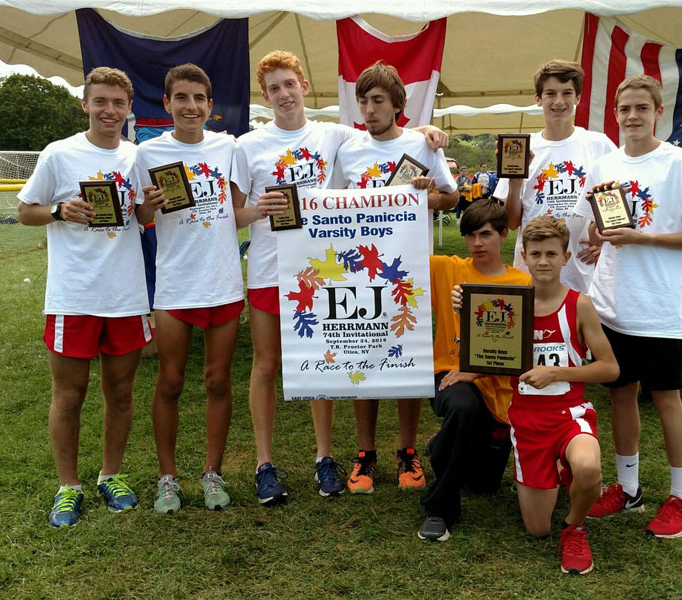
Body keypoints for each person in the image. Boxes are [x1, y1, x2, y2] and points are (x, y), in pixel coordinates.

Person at [233, 51, 448, 504]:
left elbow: (437, 184)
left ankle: (369, 454)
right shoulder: (314, 145)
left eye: (289, 84)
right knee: (312, 361)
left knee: (380, 359)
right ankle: (295, 460)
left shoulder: (361, 139)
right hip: (300, 269)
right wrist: (258, 211)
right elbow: (248, 209)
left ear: (304, 86)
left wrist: (428, 141)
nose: (370, 110)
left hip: (374, 270)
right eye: (274, 88)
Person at [574, 74, 682, 538]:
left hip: (657, 308)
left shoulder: (679, 163)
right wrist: (598, 238)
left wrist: (644, 237)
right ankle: (629, 489)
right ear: (614, 114)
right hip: (610, 304)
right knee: (620, 394)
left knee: (666, 398)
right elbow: (595, 228)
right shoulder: (604, 166)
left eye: (641, 108)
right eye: (624, 109)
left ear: (658, 112)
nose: (632, 116)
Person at [17, 67, 151, 527]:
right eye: (101, 101)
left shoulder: (138, 157)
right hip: (73, 296)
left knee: (120, 392)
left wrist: (151, 205)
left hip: (126, 294)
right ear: (85, 104)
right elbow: (23, 211)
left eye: (118, 103)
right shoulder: (60, 154)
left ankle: (110, 474)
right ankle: (68, 486)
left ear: (129, 108)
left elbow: (146, 216)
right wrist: (58, 210)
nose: (109, 111)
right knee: (69, 394)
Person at [460, 215, 619, 574]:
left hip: (569, 414)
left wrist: (558, 372)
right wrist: (469, 323)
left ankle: (575, 525)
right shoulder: (511, 304)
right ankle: (561, 474)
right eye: (536, 254)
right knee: (537, 530)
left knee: (589, 467)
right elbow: (492, 353)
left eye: (551, 253)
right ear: (524, 256)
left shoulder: (579, 305)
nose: (544, 261)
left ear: (565, 258)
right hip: (528, 421)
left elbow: (610, 368)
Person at [332, 60, 459, 495]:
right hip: (361, 273)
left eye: (378, 101)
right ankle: (365, 453)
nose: (369, 109)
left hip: (409, 271)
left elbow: (452, 196)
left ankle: (407, 451)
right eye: (363, 100)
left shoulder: (422, 145)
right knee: (362, 360)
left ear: (398, 105)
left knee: (408, 362)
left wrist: (428, 197)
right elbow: (330, 203)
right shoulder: (348, 150)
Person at [135, 63, 244, 514]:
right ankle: (167, 478)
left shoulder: (228, 148)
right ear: (167, 104)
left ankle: (212, 474)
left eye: (199, 99)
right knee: (171, 381)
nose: (191, 106)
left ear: (211, 106)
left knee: (218, 380)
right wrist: (148, 206)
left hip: (222, 282)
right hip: (176, 285)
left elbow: (238, 209)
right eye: (182, 97)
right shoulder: (147, 153)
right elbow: (141, 219)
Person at [418, 200, 531, 542]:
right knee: (463, 406)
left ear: (504, 234)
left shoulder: (523, 283)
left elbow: (522, 356)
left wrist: (476, 371)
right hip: (450, 373)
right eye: (469, 235)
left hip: (501, 389)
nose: (477, 243)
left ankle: (444, 442)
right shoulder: (448, 269)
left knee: (483, 484)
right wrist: (415, 195)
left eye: (485, 234)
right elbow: (397, 249)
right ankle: (440, 508)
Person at [493, 60, 616, 292]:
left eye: (567, 93)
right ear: (538, 98)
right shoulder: (522, 149)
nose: (559, 101)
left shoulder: (599, 145)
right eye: (550, 93)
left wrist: (606, 243)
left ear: (578, 98)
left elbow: (617, 206)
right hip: (532, 273)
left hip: (583, 275)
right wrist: (515, 184)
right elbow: (511, 222)